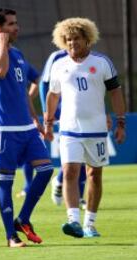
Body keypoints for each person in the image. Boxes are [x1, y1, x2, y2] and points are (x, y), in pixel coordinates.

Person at [44, 18, 126, 238]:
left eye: (76, 39)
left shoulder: (102, 62)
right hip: (69, 129)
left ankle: (90, 223)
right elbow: (53, 95)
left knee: (94, 175)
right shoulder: (59, 65)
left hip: (97, 129)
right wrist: (49, 122)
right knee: (70, 171)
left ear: (87, 39)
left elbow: (115, 92)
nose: (72, 43)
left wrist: (120, 122)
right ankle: (73, 221)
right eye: (68, 39)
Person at [0, 8, 53, 248]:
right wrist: (1, 46)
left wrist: (35, 119)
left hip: (27, 128)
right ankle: (11, 236)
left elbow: (23, 91)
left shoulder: (19, 54)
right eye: (11, 24)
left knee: (45, 170)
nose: (16, 27)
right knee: (7, 182)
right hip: (3, 130)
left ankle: (23, 218)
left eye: (16, 23)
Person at [39, 50, 87, 208]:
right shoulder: (57, 57)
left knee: (83, 155)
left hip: (83, 113)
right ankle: (62, 182)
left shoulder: (90, 57)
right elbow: (44, 84)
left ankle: (63, 183)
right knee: (75, 155)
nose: (73, 41)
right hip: (63, 113)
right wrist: (47, 111)